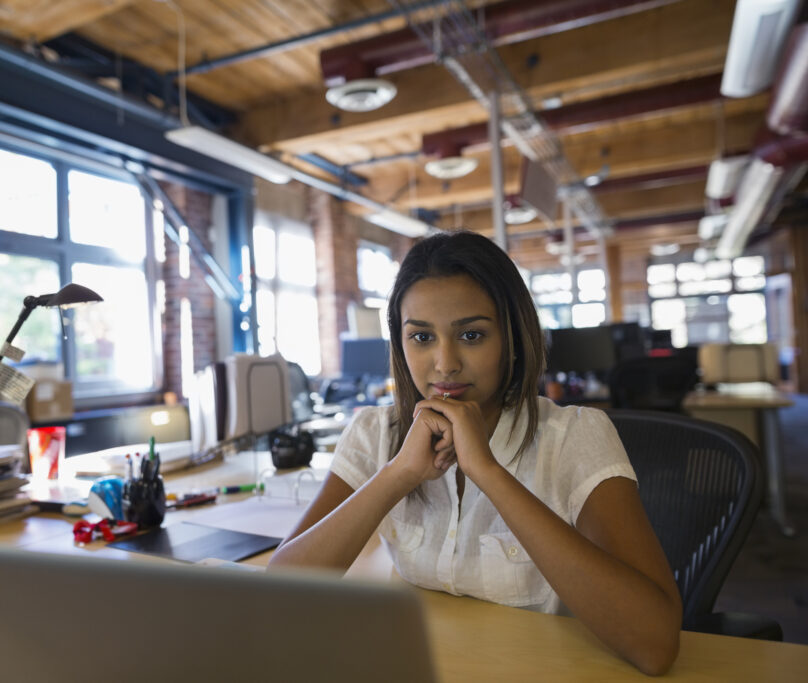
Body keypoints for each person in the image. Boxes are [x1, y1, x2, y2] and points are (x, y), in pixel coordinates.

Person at [268, 230, 682, 675]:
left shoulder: (574, 436)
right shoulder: (374, 432)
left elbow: (655, 646)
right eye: (421, 337)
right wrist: (398, 474)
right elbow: (280, 597)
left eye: (471, 334)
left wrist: (487, 471)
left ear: (512, 339)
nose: (445, 364)